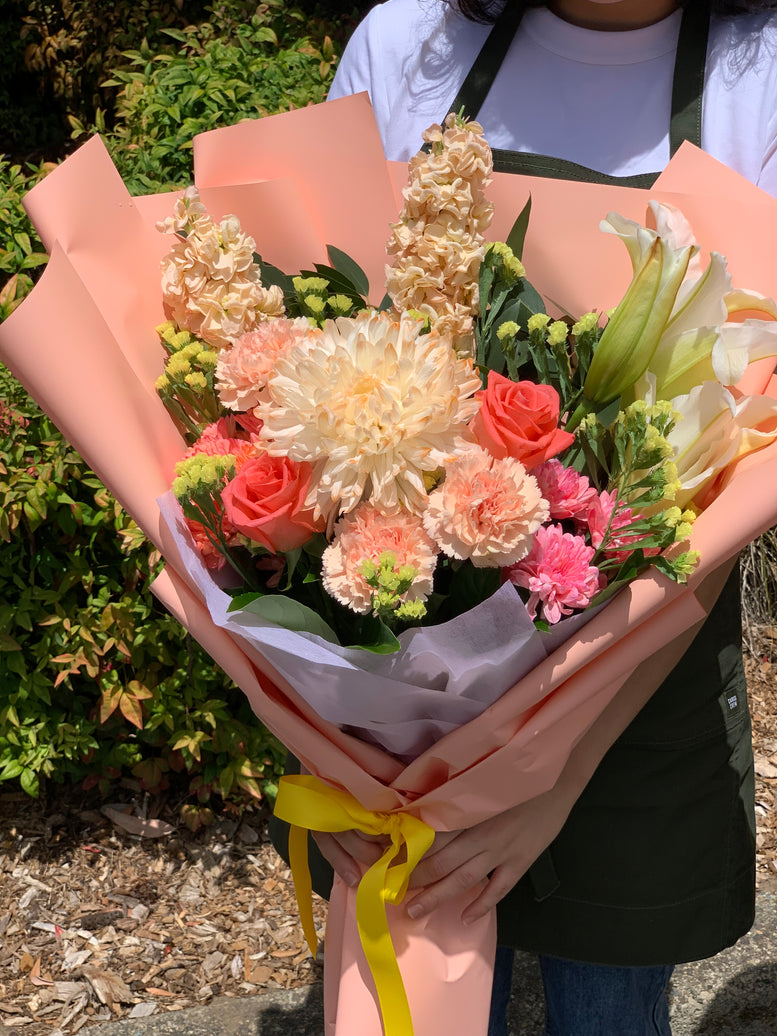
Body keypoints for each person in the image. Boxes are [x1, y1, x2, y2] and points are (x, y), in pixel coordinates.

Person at [274, 2, 777, 1033]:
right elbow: (304, 367)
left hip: (640, 689)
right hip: (398, 708)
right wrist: (329, 743)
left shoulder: (756, 75)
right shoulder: (408, 42)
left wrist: (552, 774)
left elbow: (740, 463)